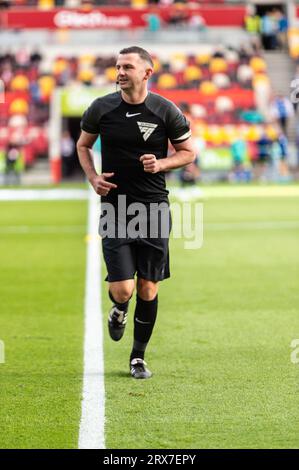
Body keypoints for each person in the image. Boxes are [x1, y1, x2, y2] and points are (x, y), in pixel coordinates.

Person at [77, 46, 195, 379]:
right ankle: (118, 310)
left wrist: (161, 163)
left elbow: (188, 152)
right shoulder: (101, 108)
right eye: (118, 66)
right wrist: (92, 177)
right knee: (123, 290)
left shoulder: (165, 110)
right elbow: (83, 145)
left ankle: (138, 357)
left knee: (148, 287)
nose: (120, 71)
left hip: (154, 207)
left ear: (147, 72)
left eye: (128, 66)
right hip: (116, 208)